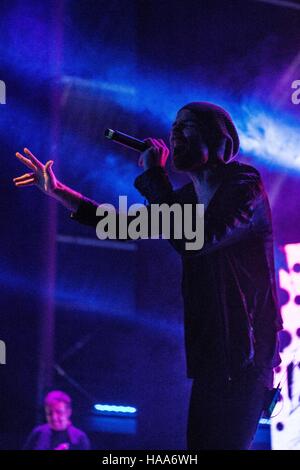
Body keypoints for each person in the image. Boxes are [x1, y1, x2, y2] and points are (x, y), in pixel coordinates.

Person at [14, 101, 282, 450]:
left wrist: (156, 177)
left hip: (246, 354)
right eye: (173, 126)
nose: (173, 134)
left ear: (218, 140)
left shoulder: (244, 184)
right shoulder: (184, 201)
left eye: (186, 126)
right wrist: (57, 190)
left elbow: (198, 239)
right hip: (211, 355)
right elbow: (120, 225)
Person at [22, 390, 90, 450]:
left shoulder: (79, 438)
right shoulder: (38, 433)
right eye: (50, 413)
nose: (54, 417)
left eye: (59, 412)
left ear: (68, 412)